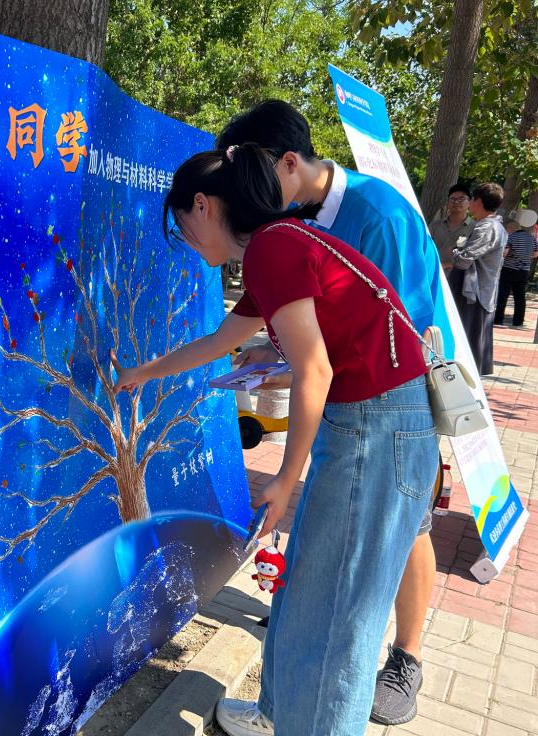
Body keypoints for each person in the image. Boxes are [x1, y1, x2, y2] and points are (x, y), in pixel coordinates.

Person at [110, 143, 438, 736]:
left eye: (182, 225)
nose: (188, 241)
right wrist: (141, 373)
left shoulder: (272, 249)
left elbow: (315, 369)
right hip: (373, 425)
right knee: (313, 598)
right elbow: (221, 342)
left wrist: (286, 478)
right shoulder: (281, 243)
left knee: (337, 622)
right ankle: (282, 719)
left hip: (376, 428)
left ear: (203, 206)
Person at [215, 99, 447, 726]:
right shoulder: (291, 222)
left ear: (288, 163)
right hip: (344, 417)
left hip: (389, 418)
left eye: (248, 174)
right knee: (318, 581)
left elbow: (392, 341)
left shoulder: (379, 215)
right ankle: (277, 710)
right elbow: (316, 324)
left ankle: (405, 659)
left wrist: (299, 370)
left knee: (370, 579)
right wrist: (276, 352)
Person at [448, 183, 507, 375]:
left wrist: (455, 253)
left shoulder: (487, 228)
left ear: (479, 202)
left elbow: (464, 259)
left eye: (471, 199)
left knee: (469, 338)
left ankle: (467, 376)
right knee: (470, 336)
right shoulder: (490, 226)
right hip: (476, 291)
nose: (470, 203)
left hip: (474, 292)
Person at [495, 209, 538, 327]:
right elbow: (536, 254)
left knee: (503, 296)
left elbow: (505, 253)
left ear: (510, 228)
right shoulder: (532, 238)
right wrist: (525, 257)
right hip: (524, 271)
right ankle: (518, 321)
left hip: (509, 269)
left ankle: (498, 319)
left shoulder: (511, 237)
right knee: (520, 297)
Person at [428, 183, 473, 273]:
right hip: (433, 274)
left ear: (469, 203)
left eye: (461, 199)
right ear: (448, 203)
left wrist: (446, 265)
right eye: (453, 199)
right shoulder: (434, 226)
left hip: (460, 278)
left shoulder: (475, 228)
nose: (456, 202)